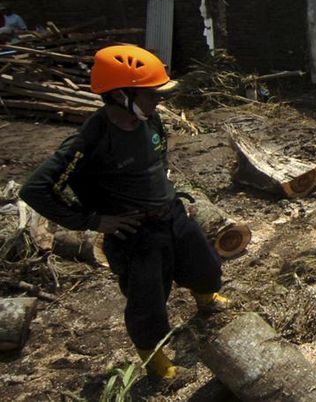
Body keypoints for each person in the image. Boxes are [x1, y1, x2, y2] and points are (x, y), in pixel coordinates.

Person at [19, 45, 227, 381]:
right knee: (148, 300)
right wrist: (93, 221)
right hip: (135, 234)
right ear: (120, 95)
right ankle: (155, 359)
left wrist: (162, 190)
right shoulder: (90, 140)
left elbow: (157, 156)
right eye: (151, 94)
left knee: (204, 264)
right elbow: (35, 190)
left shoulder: (150, 119)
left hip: (171, 214)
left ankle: (206, 299)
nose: (158, 100)